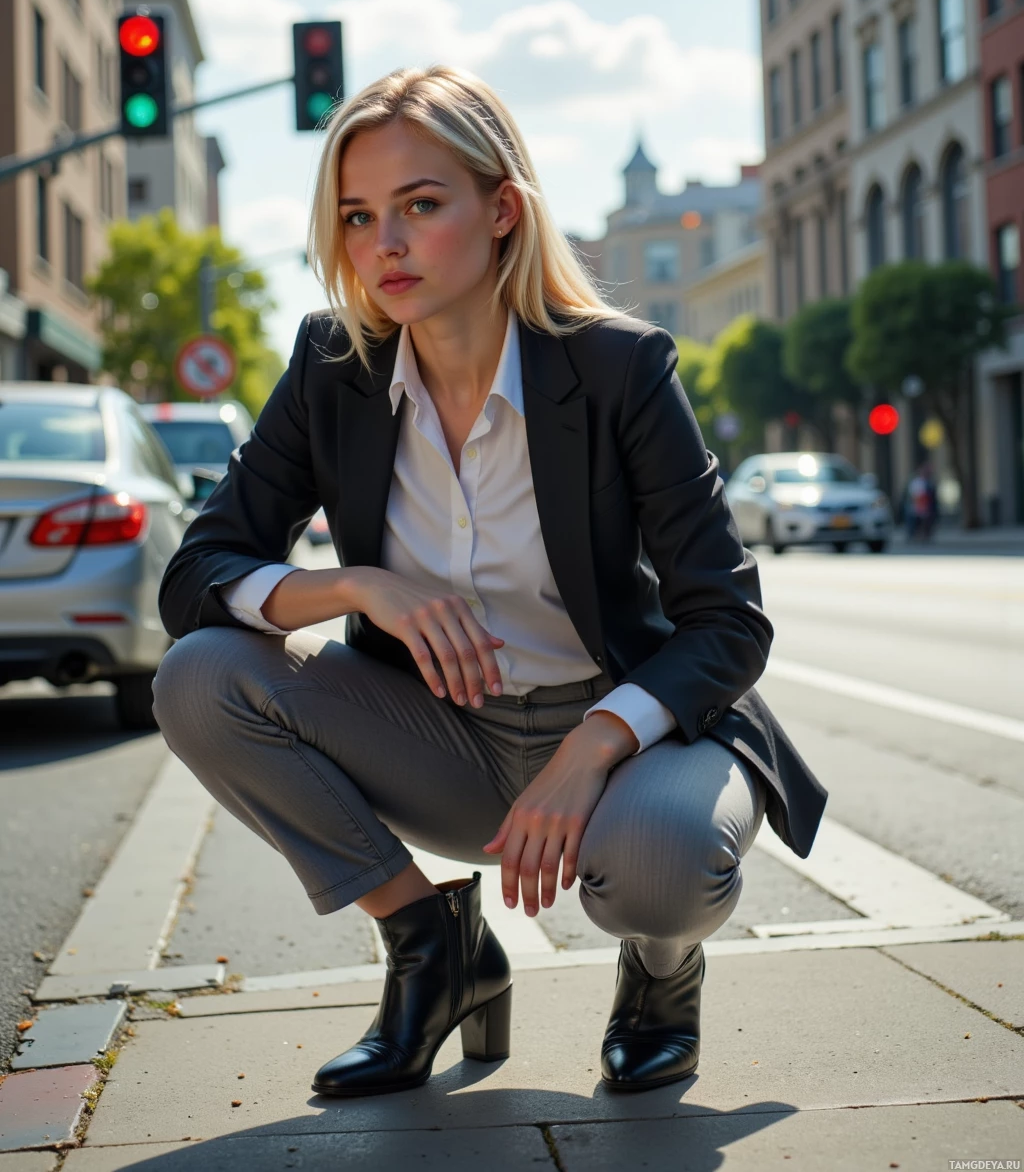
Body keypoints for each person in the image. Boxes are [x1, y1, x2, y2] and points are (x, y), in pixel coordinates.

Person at [153, 66, 827, 1100]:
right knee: (201, 675)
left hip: (626, 739)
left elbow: (727, 622)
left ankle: (659, 971)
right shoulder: (331, 368)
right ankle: (436, 950)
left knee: (659, 862)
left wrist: (594, 746)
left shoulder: (618, 369)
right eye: (357, 216)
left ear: (501, 211)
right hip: (445, 740)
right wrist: (358, 589)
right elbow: (199, 573)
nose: (385, 245)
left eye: (421, 206)